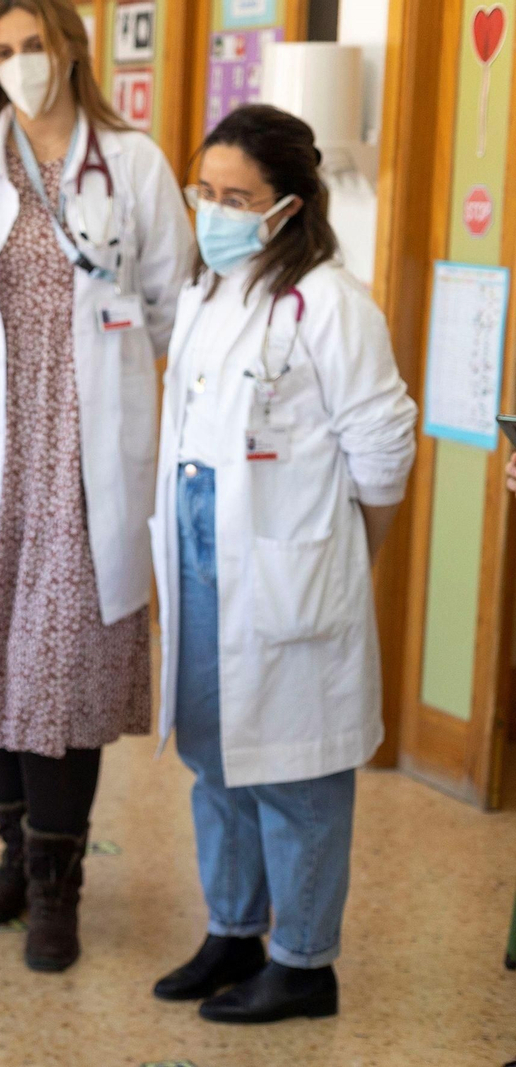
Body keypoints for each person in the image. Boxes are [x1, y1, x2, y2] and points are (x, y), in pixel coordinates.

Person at [0, 0, 192, 972]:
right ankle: (14, 853)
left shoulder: (133, 165)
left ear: (72, 48)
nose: (22, 63)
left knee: (61, 677)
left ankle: (59, 885)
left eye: (35, 44)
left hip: (85, 465)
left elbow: (174, 312)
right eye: (3, 49)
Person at [148, 105, 417, 1023]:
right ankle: (233, 929)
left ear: (289, 207)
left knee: (296, 777)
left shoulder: (331, 303)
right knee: (216, 759)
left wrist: (350, 555)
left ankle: (303, 963)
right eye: (205, 192)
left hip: (287, 569)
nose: (213, 211)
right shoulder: (210, 285)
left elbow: (384, 448)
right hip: (200, 560)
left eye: (237, 198)